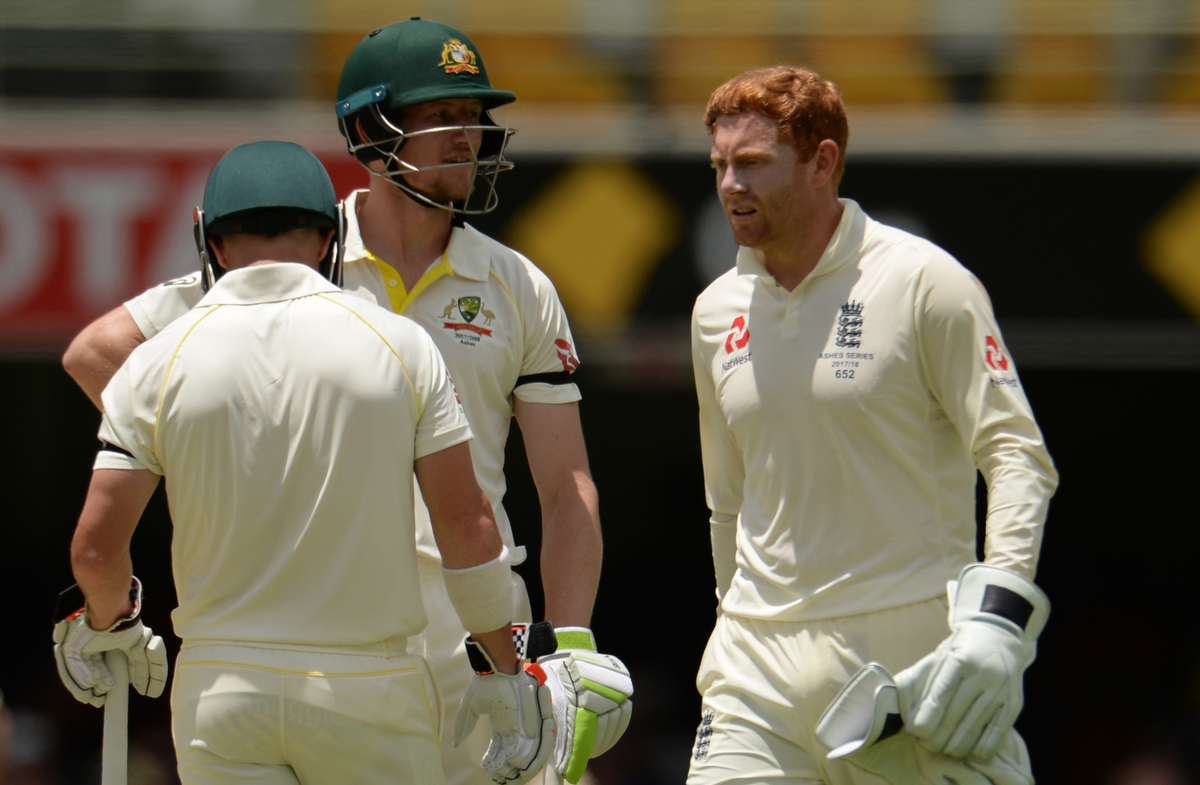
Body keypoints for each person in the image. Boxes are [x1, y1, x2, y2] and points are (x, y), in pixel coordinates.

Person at [60, 19, 631, 785]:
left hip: (481, 619)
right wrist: (221, 456)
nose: (471, 137)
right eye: (442, 119)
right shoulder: (295, 241)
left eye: (477, 118)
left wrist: (567, 641)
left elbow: (566, 486)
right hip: (345, 623)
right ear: (370, 129)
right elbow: (97, 353)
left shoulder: (518, 285)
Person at [688, 66, 1058, 785]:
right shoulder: (714, 311)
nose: (732, 184)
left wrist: (996, 619)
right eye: (720, 165)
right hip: (753, 666)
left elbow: (1016, 455)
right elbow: (727, 500)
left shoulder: (925, 281)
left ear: (823, 161)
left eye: (755, 164)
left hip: (906, 662)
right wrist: (731, 619)